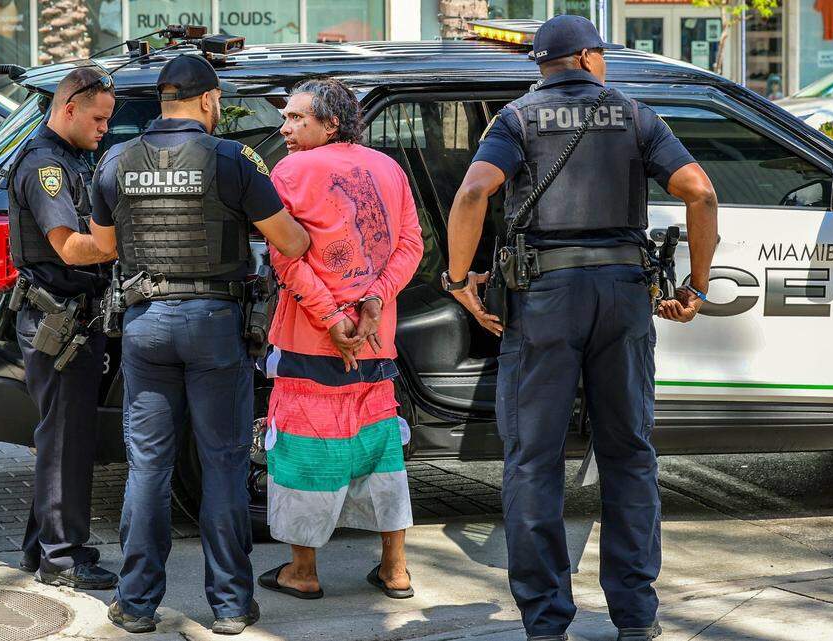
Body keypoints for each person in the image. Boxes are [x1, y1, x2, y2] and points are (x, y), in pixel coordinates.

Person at [444, 16, 719, 641]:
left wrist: (461, 280)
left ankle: (545, 622)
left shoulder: (515, 119)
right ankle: (636, 617)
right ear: (591, 57)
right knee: (629, 455)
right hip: (623, 297)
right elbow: (699, 192)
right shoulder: (636, 115)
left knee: (533, 461)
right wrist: (695, 286)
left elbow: (472, 194)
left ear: (542, 64)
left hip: (543, 300)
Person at [89, 54, 310, 635]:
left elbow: (104, 245)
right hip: (213, 325)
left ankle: (136, 604)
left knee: (148, 468)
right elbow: (289, 238)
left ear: (163, 102)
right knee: (223, 465)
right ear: (210, 102)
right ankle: (231, 606)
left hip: (144, 323)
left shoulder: (117, 160)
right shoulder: (231, 159)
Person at [254, 78, 424, 602]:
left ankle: (303, 571)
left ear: (330, 123)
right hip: (377, 343)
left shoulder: (287, 171)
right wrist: (374, 302)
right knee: (380, 450)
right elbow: (411, 246)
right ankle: (395, 568)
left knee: (306, 450)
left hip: (312, 340)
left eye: (295, 119)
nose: (284, 128)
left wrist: (331, 318)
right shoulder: (390, 169)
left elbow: (287, 257)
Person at [8, 66, 118, 590]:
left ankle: (40, 547)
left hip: (73, 317)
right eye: (98, 118)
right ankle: (64, 557)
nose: (104, 129)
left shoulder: (73, 157)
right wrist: (130, 239)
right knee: (66, 441)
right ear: (68, 107)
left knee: (61, 437)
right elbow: (70, 247)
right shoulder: (45, 166)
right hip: (58, 321)